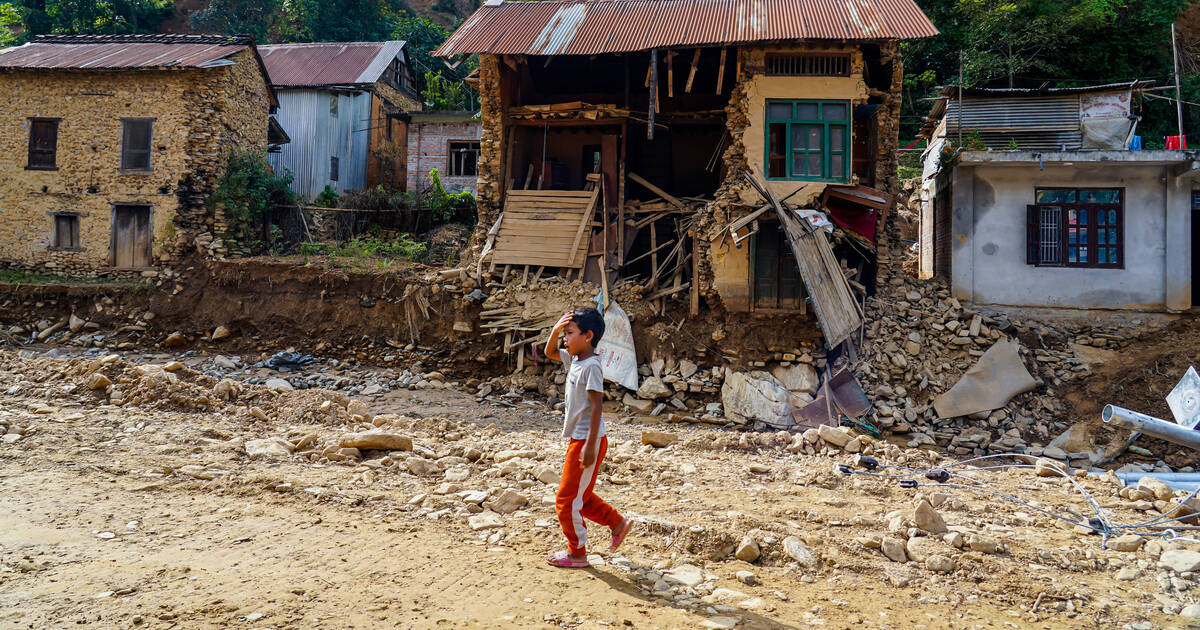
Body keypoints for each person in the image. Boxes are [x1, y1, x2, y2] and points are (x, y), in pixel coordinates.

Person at [542, 307, 632, 568]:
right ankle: (617, 523)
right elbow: (549, 353)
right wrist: (556, 329)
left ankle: (577, 552)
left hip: (587, 441)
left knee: (565, 501)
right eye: (565, 335)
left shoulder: (591, 366)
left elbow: (597, 407)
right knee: (580, 495)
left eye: (570, 334)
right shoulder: (575, 360)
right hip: (581, 440)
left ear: (588, 336)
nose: (565, 340)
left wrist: (590, 446)